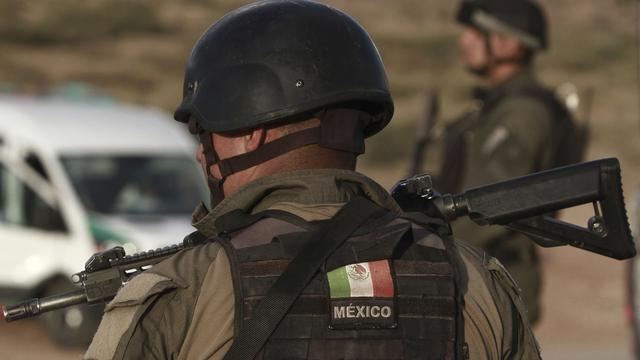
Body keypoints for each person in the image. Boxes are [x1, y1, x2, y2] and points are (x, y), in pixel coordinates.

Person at [84, 1, 540, 359]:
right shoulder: (476, 282)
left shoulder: (180, 290)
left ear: (252, 128)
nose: (202, 152)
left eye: (203, 130)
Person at [431, 0, 582, 325]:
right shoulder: (495, 107)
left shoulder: (520, 114)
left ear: (509, 43)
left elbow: (488, 207)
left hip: (490, 282)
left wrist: (422, 246)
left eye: (476, 32)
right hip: (477, 276)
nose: (464, 41)